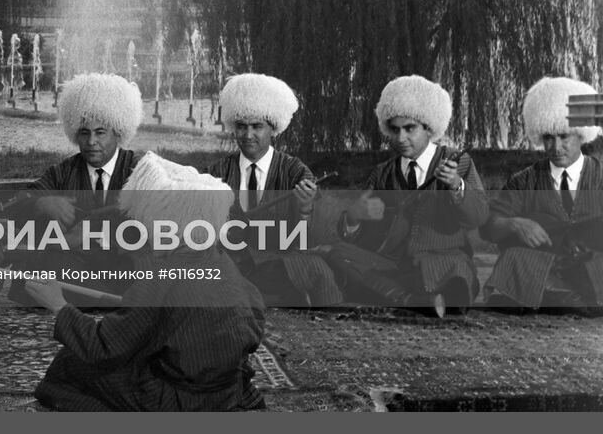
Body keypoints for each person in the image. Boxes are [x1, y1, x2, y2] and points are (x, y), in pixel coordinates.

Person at [27, 153, 266, 411]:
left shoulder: (159, 277)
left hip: (181, 400)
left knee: (70, 363)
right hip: (227, 390)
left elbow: (104, 348)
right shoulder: (224, 263)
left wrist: (58, 305)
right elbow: (252, 319)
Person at [319, 75, 487, 316]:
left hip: (443, 260)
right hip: (393, 263)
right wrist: (353, 218)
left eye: (410, 128)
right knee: (338, 253)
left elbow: (477, 217)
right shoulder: (382, 173)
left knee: (455, 273)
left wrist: (456, 186)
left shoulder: (458, 162)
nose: (401, 138)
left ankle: (394, 293)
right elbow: (360, 240)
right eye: (395, 130)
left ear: (429, 127)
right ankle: (411, 299)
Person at [4, 72, 144, 304]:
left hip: (126, 274)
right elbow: (20, 203)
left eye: (100, 133)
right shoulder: (62, 172)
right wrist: (42, 203)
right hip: (76, 274)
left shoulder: (140, 170)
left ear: (118, 131)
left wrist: (94, 230)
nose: (91, 142)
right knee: (44, 263)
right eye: (84, 133)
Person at [205, 73, 342, 306]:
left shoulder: (296, 172)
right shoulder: (215, 173)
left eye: (257, 126)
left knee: (316, 268)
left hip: (278, 265)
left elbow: (313, 240)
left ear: (273, 128)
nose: (248, 135)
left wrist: (306, 210)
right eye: (241, 127)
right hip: (227, 265)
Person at [481, 77, 603, 313]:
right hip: (543, 265)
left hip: (593, 264)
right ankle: (572, 299)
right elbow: (488, 225)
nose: (555, 147)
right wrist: (514, 224)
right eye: (548, 137)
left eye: (564, 136)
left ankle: (556, 297)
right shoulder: (525, 180)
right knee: (514, 258)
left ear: (581, 134)